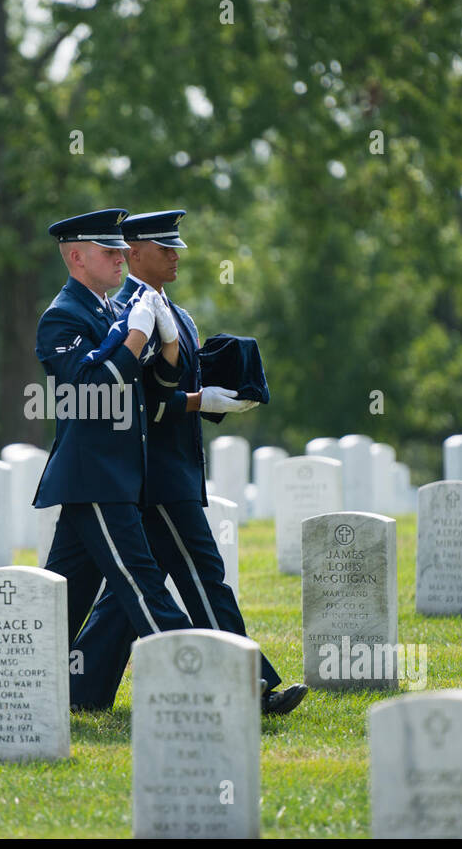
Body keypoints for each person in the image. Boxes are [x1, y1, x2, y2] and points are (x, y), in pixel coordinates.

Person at [69, 210, 309, 715]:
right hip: (156, 477)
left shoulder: (170, 308)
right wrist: (203, 401)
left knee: (129, 592)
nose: (176, 256)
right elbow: (143, 403)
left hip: (171, 470)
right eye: (164, 249)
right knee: (204, 576)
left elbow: (171, 384)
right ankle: (252, 683)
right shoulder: (131, 310)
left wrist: (219, 380)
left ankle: (80, 690)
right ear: (134, 253)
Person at [34, 208, 195, 695]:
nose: (123, 257)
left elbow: (151, 386)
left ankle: (31, 680)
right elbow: (89, 391)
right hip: (96, 477)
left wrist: (167, 346)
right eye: (110, 252)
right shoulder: (62, 316)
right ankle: (197, 673)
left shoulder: (110, 310)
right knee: (142, 585)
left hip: (116, 476)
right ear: (78, 258)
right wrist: (139, 335)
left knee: (64, 595)